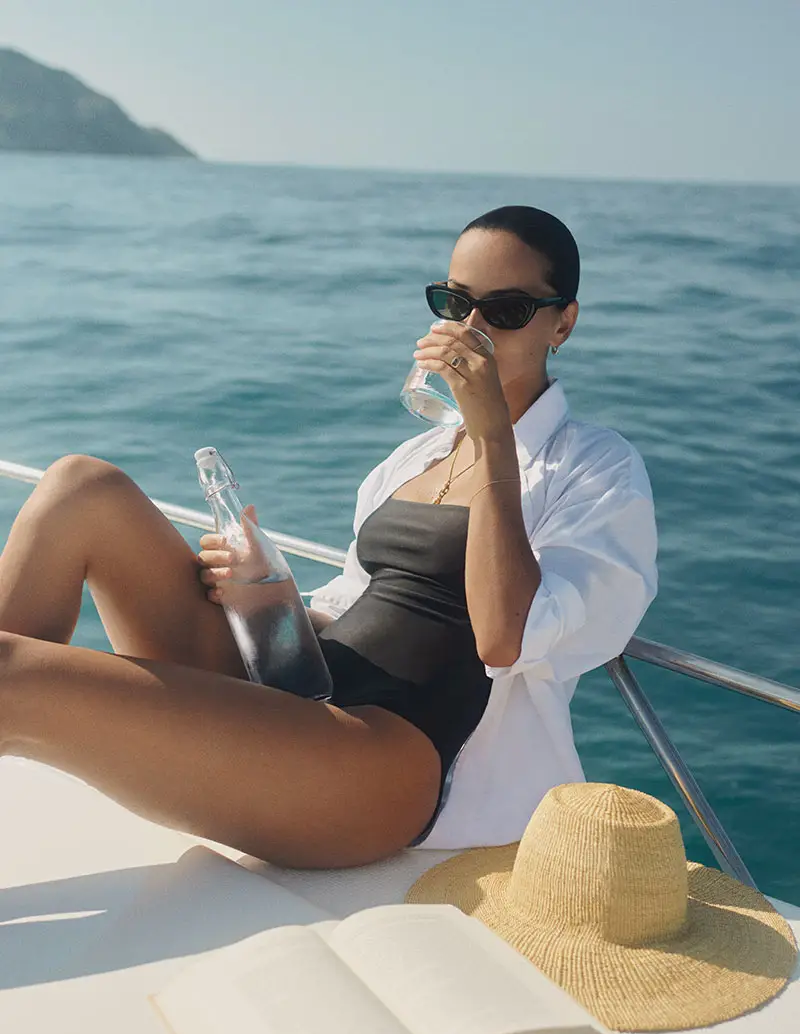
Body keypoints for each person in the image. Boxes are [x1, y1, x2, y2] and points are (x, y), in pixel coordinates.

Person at [0, 205, 657, 869]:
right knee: (80, 488)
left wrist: (493, 436)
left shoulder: (596, 471)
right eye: (454, 301)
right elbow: (347, 615)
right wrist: (269, 595)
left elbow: (505, 637)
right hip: (303, 700)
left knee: (8, 674)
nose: (471, 330)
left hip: (381, 760)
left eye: (506, 309)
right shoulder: (413, 459)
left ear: (562, 324)